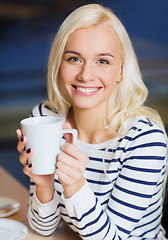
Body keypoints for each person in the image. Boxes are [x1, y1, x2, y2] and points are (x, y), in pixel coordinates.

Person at [16, 3, 168, 240]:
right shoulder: (45, 120)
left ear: (121, 71)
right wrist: (43, 183)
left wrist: (75, 184)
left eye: (103, 61)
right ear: (59, 64)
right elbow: (44, 228)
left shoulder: (144, 140)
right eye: (74, 58)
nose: (86, 75)